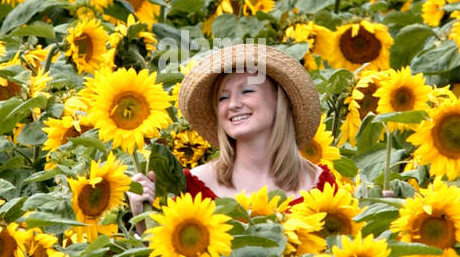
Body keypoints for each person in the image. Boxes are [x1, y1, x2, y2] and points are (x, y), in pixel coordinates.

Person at [127, 43, 336, 226]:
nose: (234, 104)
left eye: (247, 91)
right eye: (223, 98)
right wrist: (142, 216)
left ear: (280, 100)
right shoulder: (191, 186)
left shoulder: (320, 184)